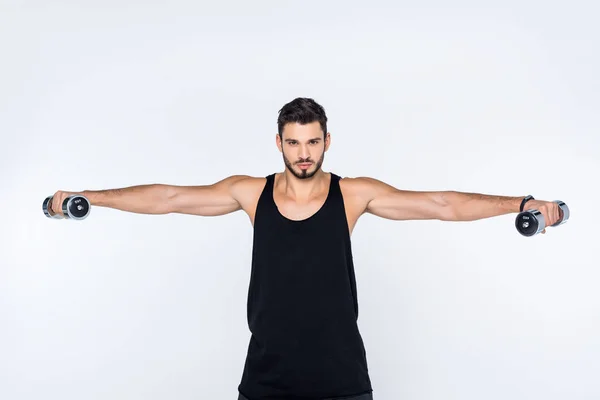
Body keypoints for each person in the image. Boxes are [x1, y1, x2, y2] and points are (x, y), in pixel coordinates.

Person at [48, 97, 563, 400]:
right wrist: (88, 196)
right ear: (279, 143)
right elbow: (169, 197)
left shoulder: (353, 194)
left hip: (341, 379)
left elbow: (443, 204)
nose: (303, 154)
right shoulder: (250, 193)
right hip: (267, 380)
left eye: (312, 142)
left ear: (327, 142)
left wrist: (522, 201)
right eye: (293, 143)